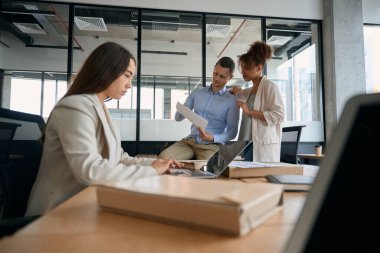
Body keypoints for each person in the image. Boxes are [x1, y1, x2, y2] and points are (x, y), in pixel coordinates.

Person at [25, 42, 181, 216]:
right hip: (58, 209)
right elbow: (89, 170)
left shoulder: (99, 108)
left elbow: (118, 159)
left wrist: (157, 164)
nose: (129, 85)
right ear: (107, 71)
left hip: (86, 202)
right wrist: (151, 171)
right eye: (127, 75)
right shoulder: (75, 107)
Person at [158, 57, 240, 160]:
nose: (217, 78)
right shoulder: (198, 92)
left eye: (222, 76)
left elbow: (232, 132)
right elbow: (177, 118)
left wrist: (213, 138)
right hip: (190, 142)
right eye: (215, 73)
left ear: (230, 77)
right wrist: (183, 109)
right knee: (163, 159)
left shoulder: (232, 100)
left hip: (212, 145)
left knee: (208, 170)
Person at [231, 41, 285, 162]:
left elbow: (279, 116)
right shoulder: (248, 91)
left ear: (259, 68)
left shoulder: (270, 86)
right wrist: (233, 92)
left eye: (247, 68)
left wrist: (249, 111)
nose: (243, 71)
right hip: (246, 141)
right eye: (242, 67)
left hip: (261, 144)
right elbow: (233, 97)